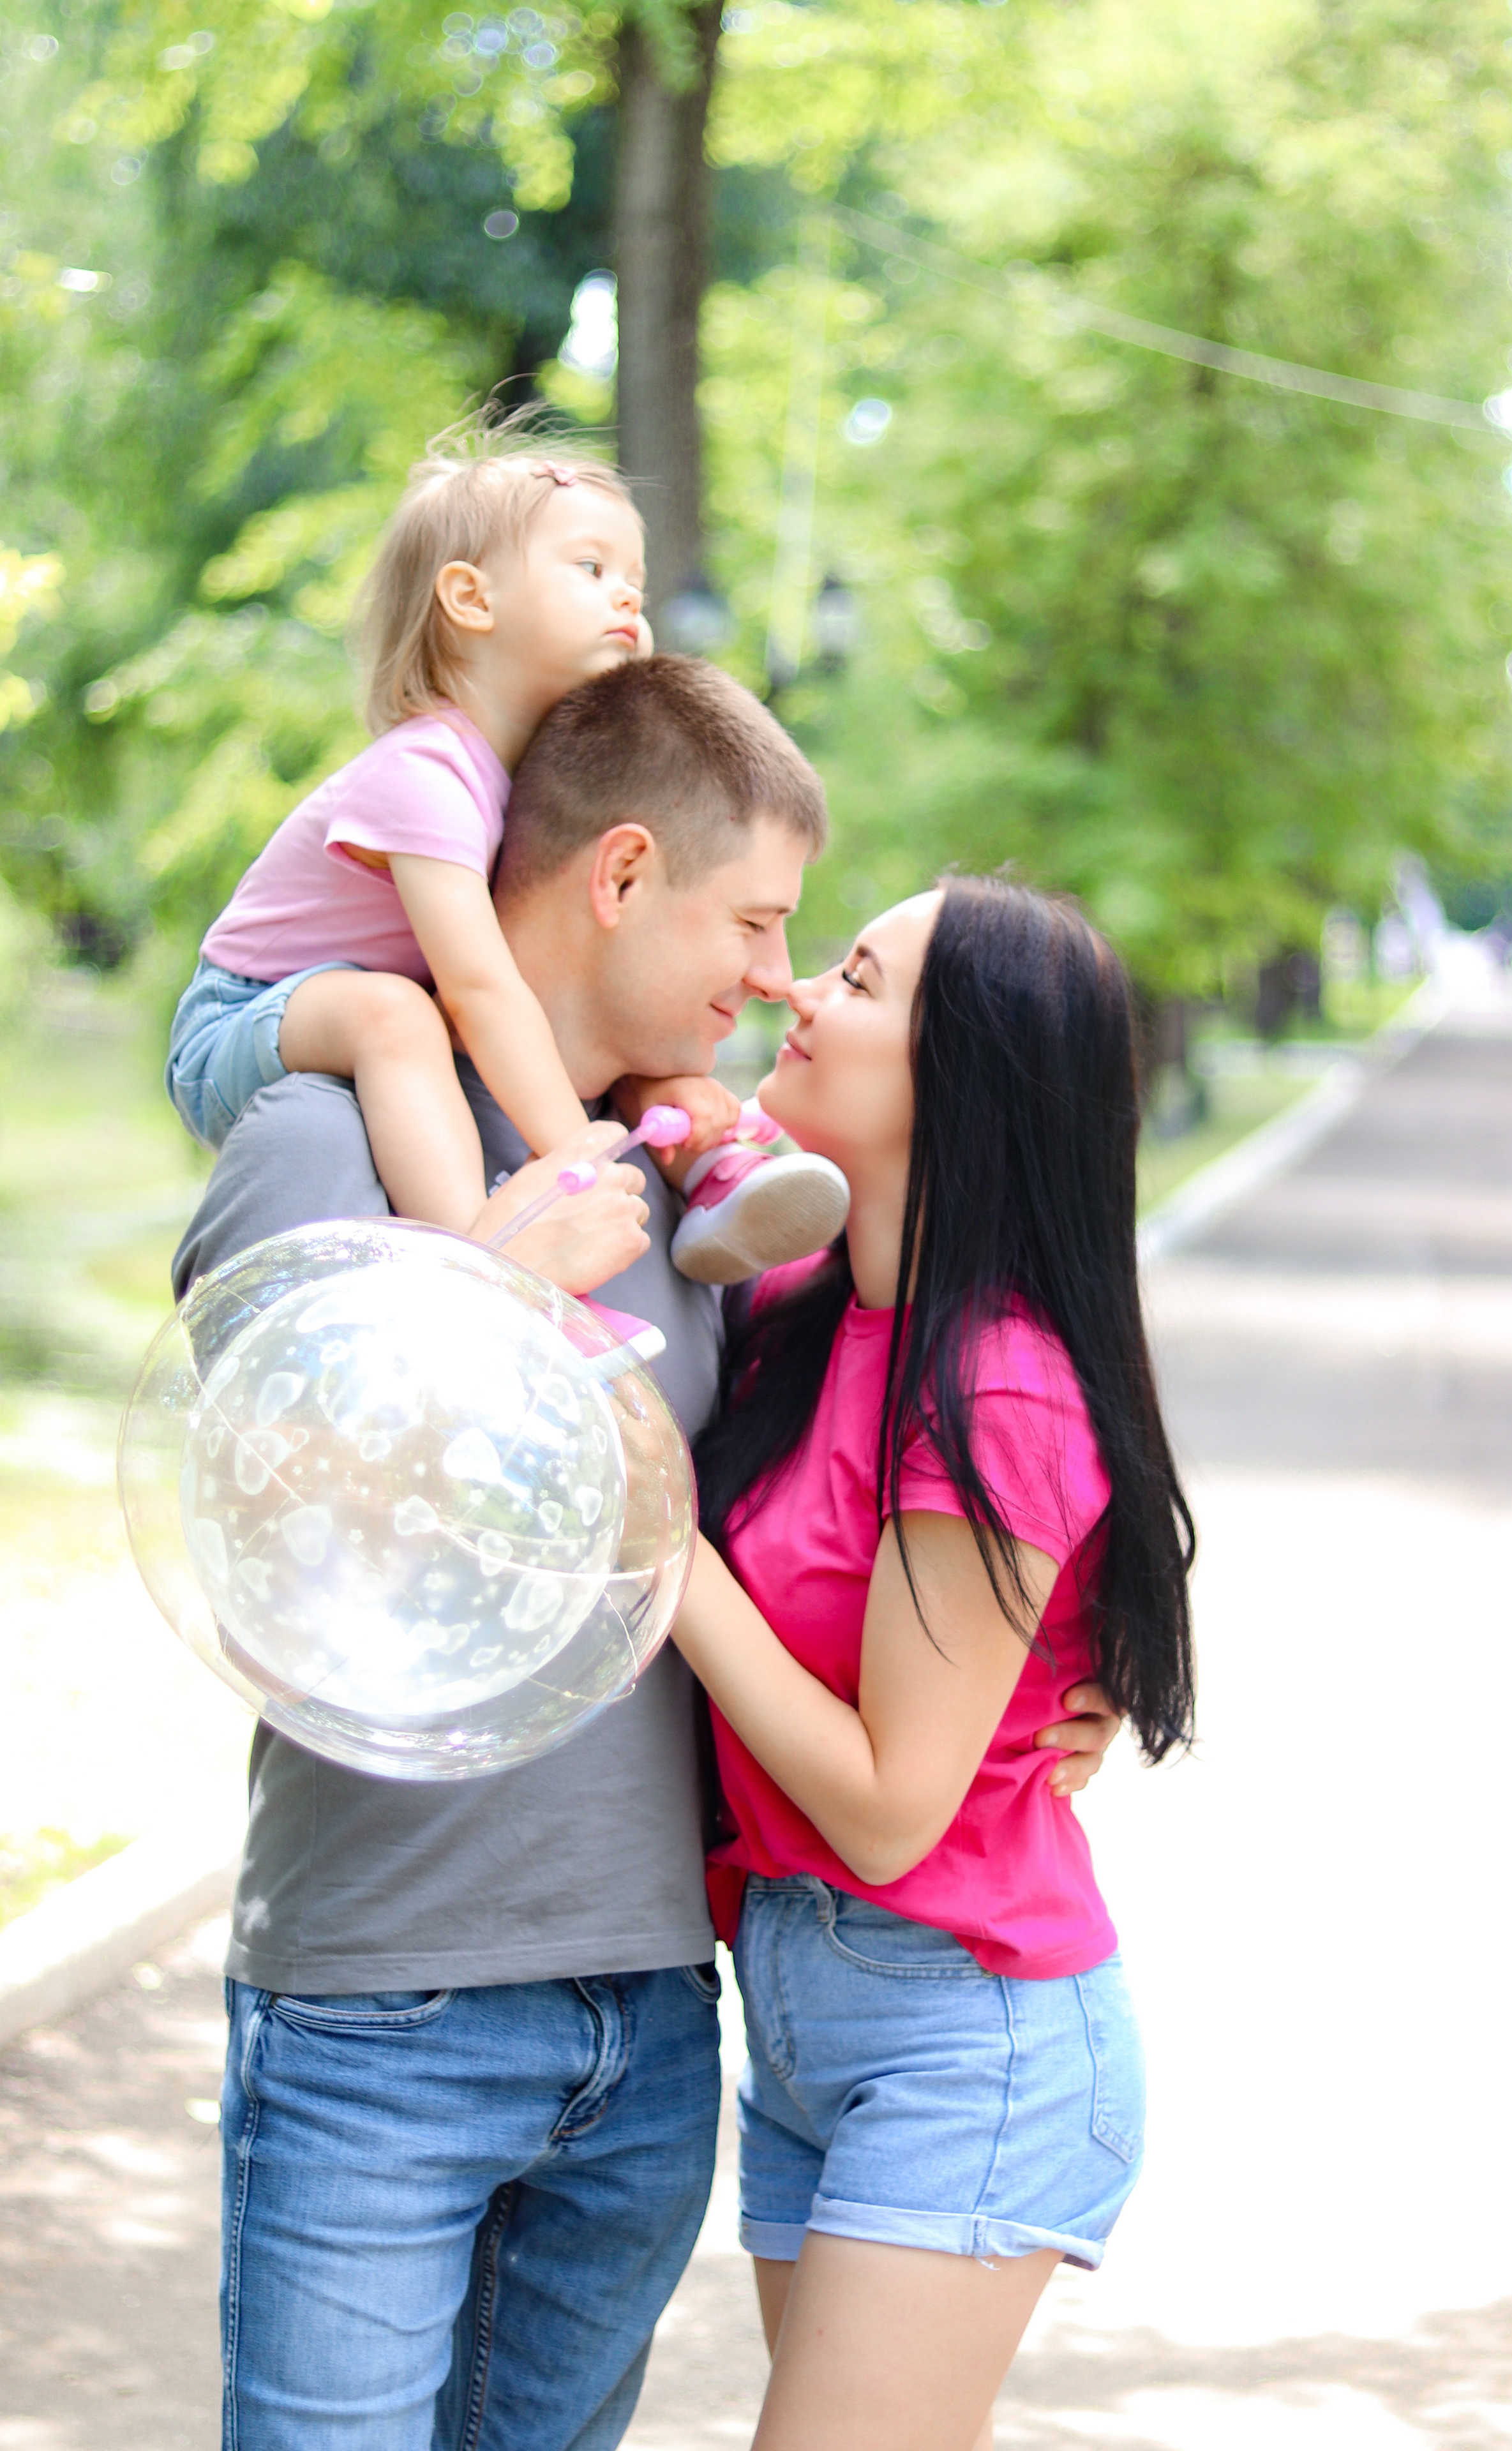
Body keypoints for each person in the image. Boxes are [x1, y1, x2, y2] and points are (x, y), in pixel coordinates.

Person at [176, 662, 1124, 2451]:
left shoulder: (706, 1194)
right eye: (764, 922)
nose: (778, 974)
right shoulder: (323, 1135)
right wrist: (477, 1301)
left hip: (657, 2025)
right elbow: (251, 1521)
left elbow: (984, 1435)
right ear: (621, 875)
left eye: (824, 955)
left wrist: (1074, 1688)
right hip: (387, 2008)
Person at [673, 876, 1197, 2451]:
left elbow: (895, 1811)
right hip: (799, 2015)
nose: (795, 998)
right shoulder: (796, 1318)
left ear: (956, 1072)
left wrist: (661, 1551)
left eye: (851, 977)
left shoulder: (997, 1389)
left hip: (960, 2033)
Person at [166, 425, 848, 1280]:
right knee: (397, 1016)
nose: (629, 599)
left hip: (356, 1000)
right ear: (470, 599)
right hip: (243, 1016)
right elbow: (482, 993)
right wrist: (578, 1161)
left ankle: (707, 1166)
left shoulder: (514, 778)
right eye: (592, 571)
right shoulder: (424, 774)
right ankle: (487, 1245)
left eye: (634, 580)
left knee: (625, 1050)